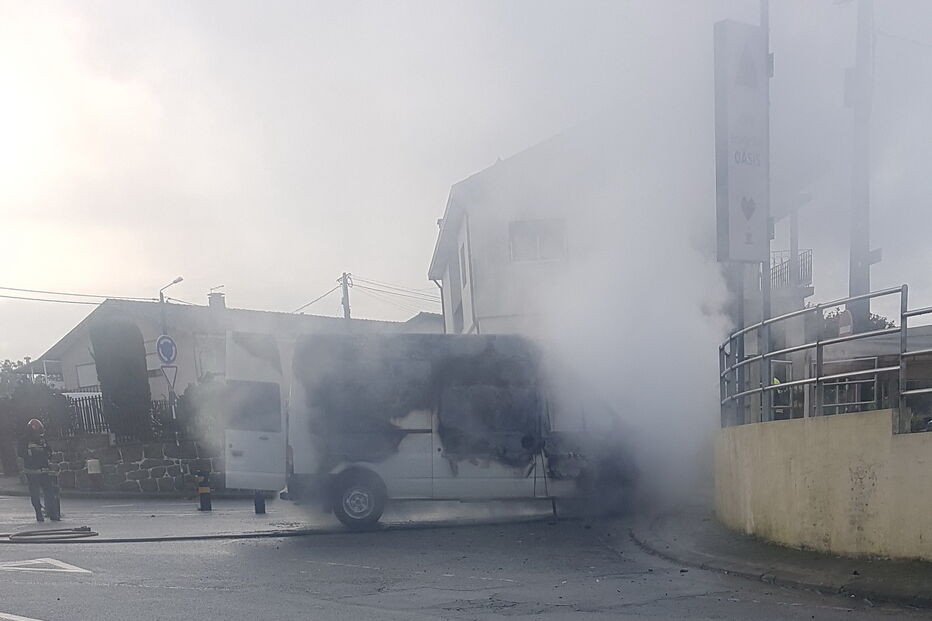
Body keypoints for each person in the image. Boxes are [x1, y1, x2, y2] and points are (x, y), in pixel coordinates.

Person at [18, 419, 60, 522]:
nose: (38, 434)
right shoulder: (24, 440)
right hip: (32, 471)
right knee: (35, 493)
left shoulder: (42, 439)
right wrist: (31, 457)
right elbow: (21, 453)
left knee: (49, 492)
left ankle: (53, 514)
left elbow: (49, 451)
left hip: (43, 470)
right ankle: (39, 512)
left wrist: (48, 454)